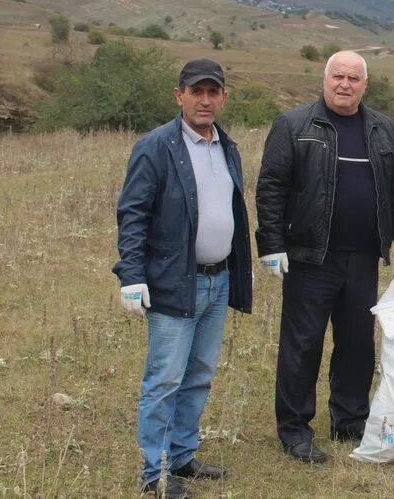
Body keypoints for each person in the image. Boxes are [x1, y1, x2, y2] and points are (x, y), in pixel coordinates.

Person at [255, 49, 394, 463]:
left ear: (365, 85)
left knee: (357, 345)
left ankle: (349, 421)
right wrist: (271, 245)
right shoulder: (294, 125)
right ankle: (295, 429)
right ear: (324, 80)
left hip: (363, 257)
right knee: (303, 345)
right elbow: (270, 189)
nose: (344, 84)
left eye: (353, 78)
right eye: (337, 77)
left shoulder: (383, 129)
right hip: (310, 257)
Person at [113, 59, 253, 498]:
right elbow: (132, 214)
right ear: (180, 96)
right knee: (164, 380)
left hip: (218, 281)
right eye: (197, 92)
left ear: (224, 97)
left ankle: (182, 457)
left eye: (214, 92)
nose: (205, 100)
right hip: (175, 282)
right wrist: (131, 275)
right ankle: (153, 476)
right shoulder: (156, 147)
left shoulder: (226, 147)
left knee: (199, 374)